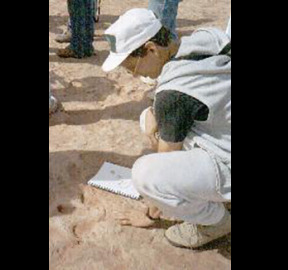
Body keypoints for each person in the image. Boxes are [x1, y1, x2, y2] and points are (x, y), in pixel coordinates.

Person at [101, 8, 231, 249]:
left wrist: (149, 213)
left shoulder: (172, 95)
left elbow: (165, 161)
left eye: (133, 68)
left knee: (147, 175)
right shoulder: (204, 38)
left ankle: (215, 223)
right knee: (148, 116)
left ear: (151, 49)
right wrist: (154, 113)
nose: (133, 75)